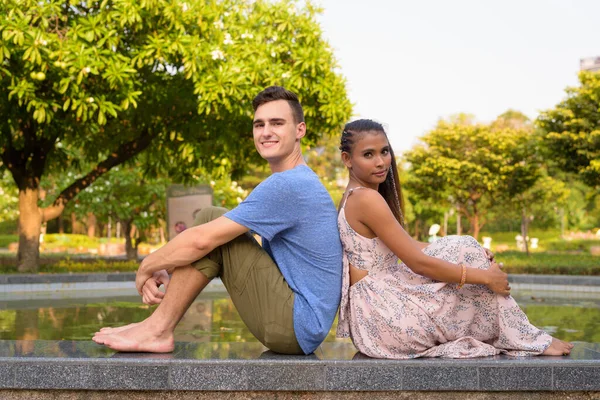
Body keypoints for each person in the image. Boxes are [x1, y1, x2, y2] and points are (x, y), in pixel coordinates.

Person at [93, 86, 343, 355]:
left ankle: (157, 329)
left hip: (296, 326)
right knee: (213, 223)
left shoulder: (289, 185)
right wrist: (172, 267)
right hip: (300, 325)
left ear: (300, 130)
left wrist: (148, 265)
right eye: (259, 124)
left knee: (211, 220)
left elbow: (202, 241)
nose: (266, 132)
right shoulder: (296, 180)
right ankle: (154, 326)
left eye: (277, 123)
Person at [336, 119, 573, 359]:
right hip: (383, 316)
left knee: (466, 247)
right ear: (347, 159)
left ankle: (523, 336)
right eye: (368, 154)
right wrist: (486, 277)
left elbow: (409, 245)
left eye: (384, 152)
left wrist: (468, 252)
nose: (380, 162)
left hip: (373, 319)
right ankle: (527, 339)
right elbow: (417, 262)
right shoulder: (366, 199)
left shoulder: (355, 197)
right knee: (469, 260)